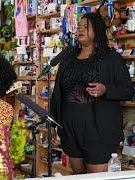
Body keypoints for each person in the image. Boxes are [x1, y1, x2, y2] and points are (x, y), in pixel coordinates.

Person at [50, 12, 135, 174]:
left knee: (96, 178)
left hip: (98, 131)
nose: (80, 30)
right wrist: (53, 122)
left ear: (97, 30)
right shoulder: (68, 58)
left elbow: (128, 90)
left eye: (86, 27)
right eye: (79, 27)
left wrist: (106, 89)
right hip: (70, 130)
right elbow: (58, 93)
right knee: (78, 177)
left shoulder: (111, 58)